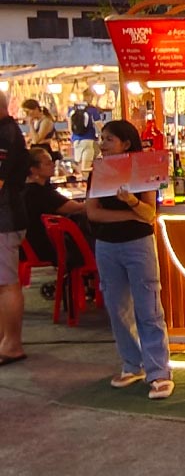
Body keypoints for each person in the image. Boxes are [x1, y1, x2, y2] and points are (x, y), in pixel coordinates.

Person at [84, 120, 173, 399]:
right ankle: (132, 364)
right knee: (117, 307)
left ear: (125, 142)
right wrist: (129, 214)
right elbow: (93, 213)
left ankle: (158, 371)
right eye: (102, 138)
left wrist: (131, 202)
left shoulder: (144, 168)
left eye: (109, 139)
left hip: (138, 244)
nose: (103, 144)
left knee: (148, 307)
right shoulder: (97, 172)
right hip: (107, 245)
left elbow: (149, 215)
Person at [0, 92, 29, 367]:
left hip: (5, 219)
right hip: (7, 217)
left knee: (7, 283)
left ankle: (12, 343)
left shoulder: (6, 135)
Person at [23, 147, 90, 266]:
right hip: (47, 247)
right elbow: (76, 208)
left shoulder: (24, 189)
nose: (53, 165)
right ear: (34, 169)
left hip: (29, 246)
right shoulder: (41, 193)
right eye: (48, 163)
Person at [69, 99, 103, 170]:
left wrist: (73, 139)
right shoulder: (92, 110)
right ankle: (87, 179)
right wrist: (101, 137)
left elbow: (70, 128)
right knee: (86, 168)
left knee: (80, 166)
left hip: (76, 141)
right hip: (88, 141)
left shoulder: (72, 110)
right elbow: (100, 127)